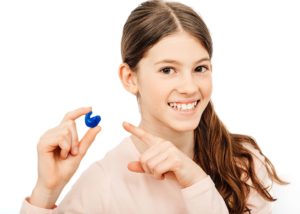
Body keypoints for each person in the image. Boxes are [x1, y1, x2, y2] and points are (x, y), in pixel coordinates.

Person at [20, 0, 286, 213]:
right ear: (130, 78)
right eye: (168, 69)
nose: (190, 87)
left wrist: (196, 182)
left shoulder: (242, 164)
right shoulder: (104, 184)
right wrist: (46, 190)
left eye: (200, 68)